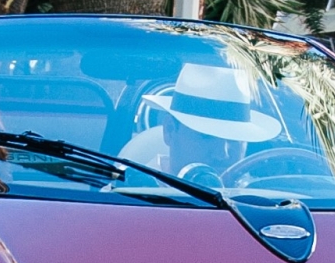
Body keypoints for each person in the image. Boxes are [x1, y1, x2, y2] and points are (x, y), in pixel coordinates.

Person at [118, 61, 284, 187]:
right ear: (169, 130)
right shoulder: (127, 195)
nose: (222, 154)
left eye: (235, 139)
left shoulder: (260, 197)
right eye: (207, 136)